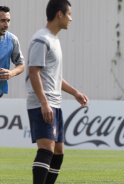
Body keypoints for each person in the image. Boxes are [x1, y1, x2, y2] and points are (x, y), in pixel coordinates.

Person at [26, 0, 88, 183]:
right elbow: (33, 71)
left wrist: (75, 92)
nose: (71, 18)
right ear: (59, 14)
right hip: (42, 103)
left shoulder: (54, 40)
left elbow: (54, 77)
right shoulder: (42, 39)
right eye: (69, 14)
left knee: (58, 152)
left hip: (55, 102)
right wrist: (44, 102)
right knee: (46, 148)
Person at [0, 6, 24, 98]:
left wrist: (11, 73)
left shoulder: (12, 40)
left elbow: (21, 65)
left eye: (8, 21)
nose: (6, 25)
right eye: (2, 20)